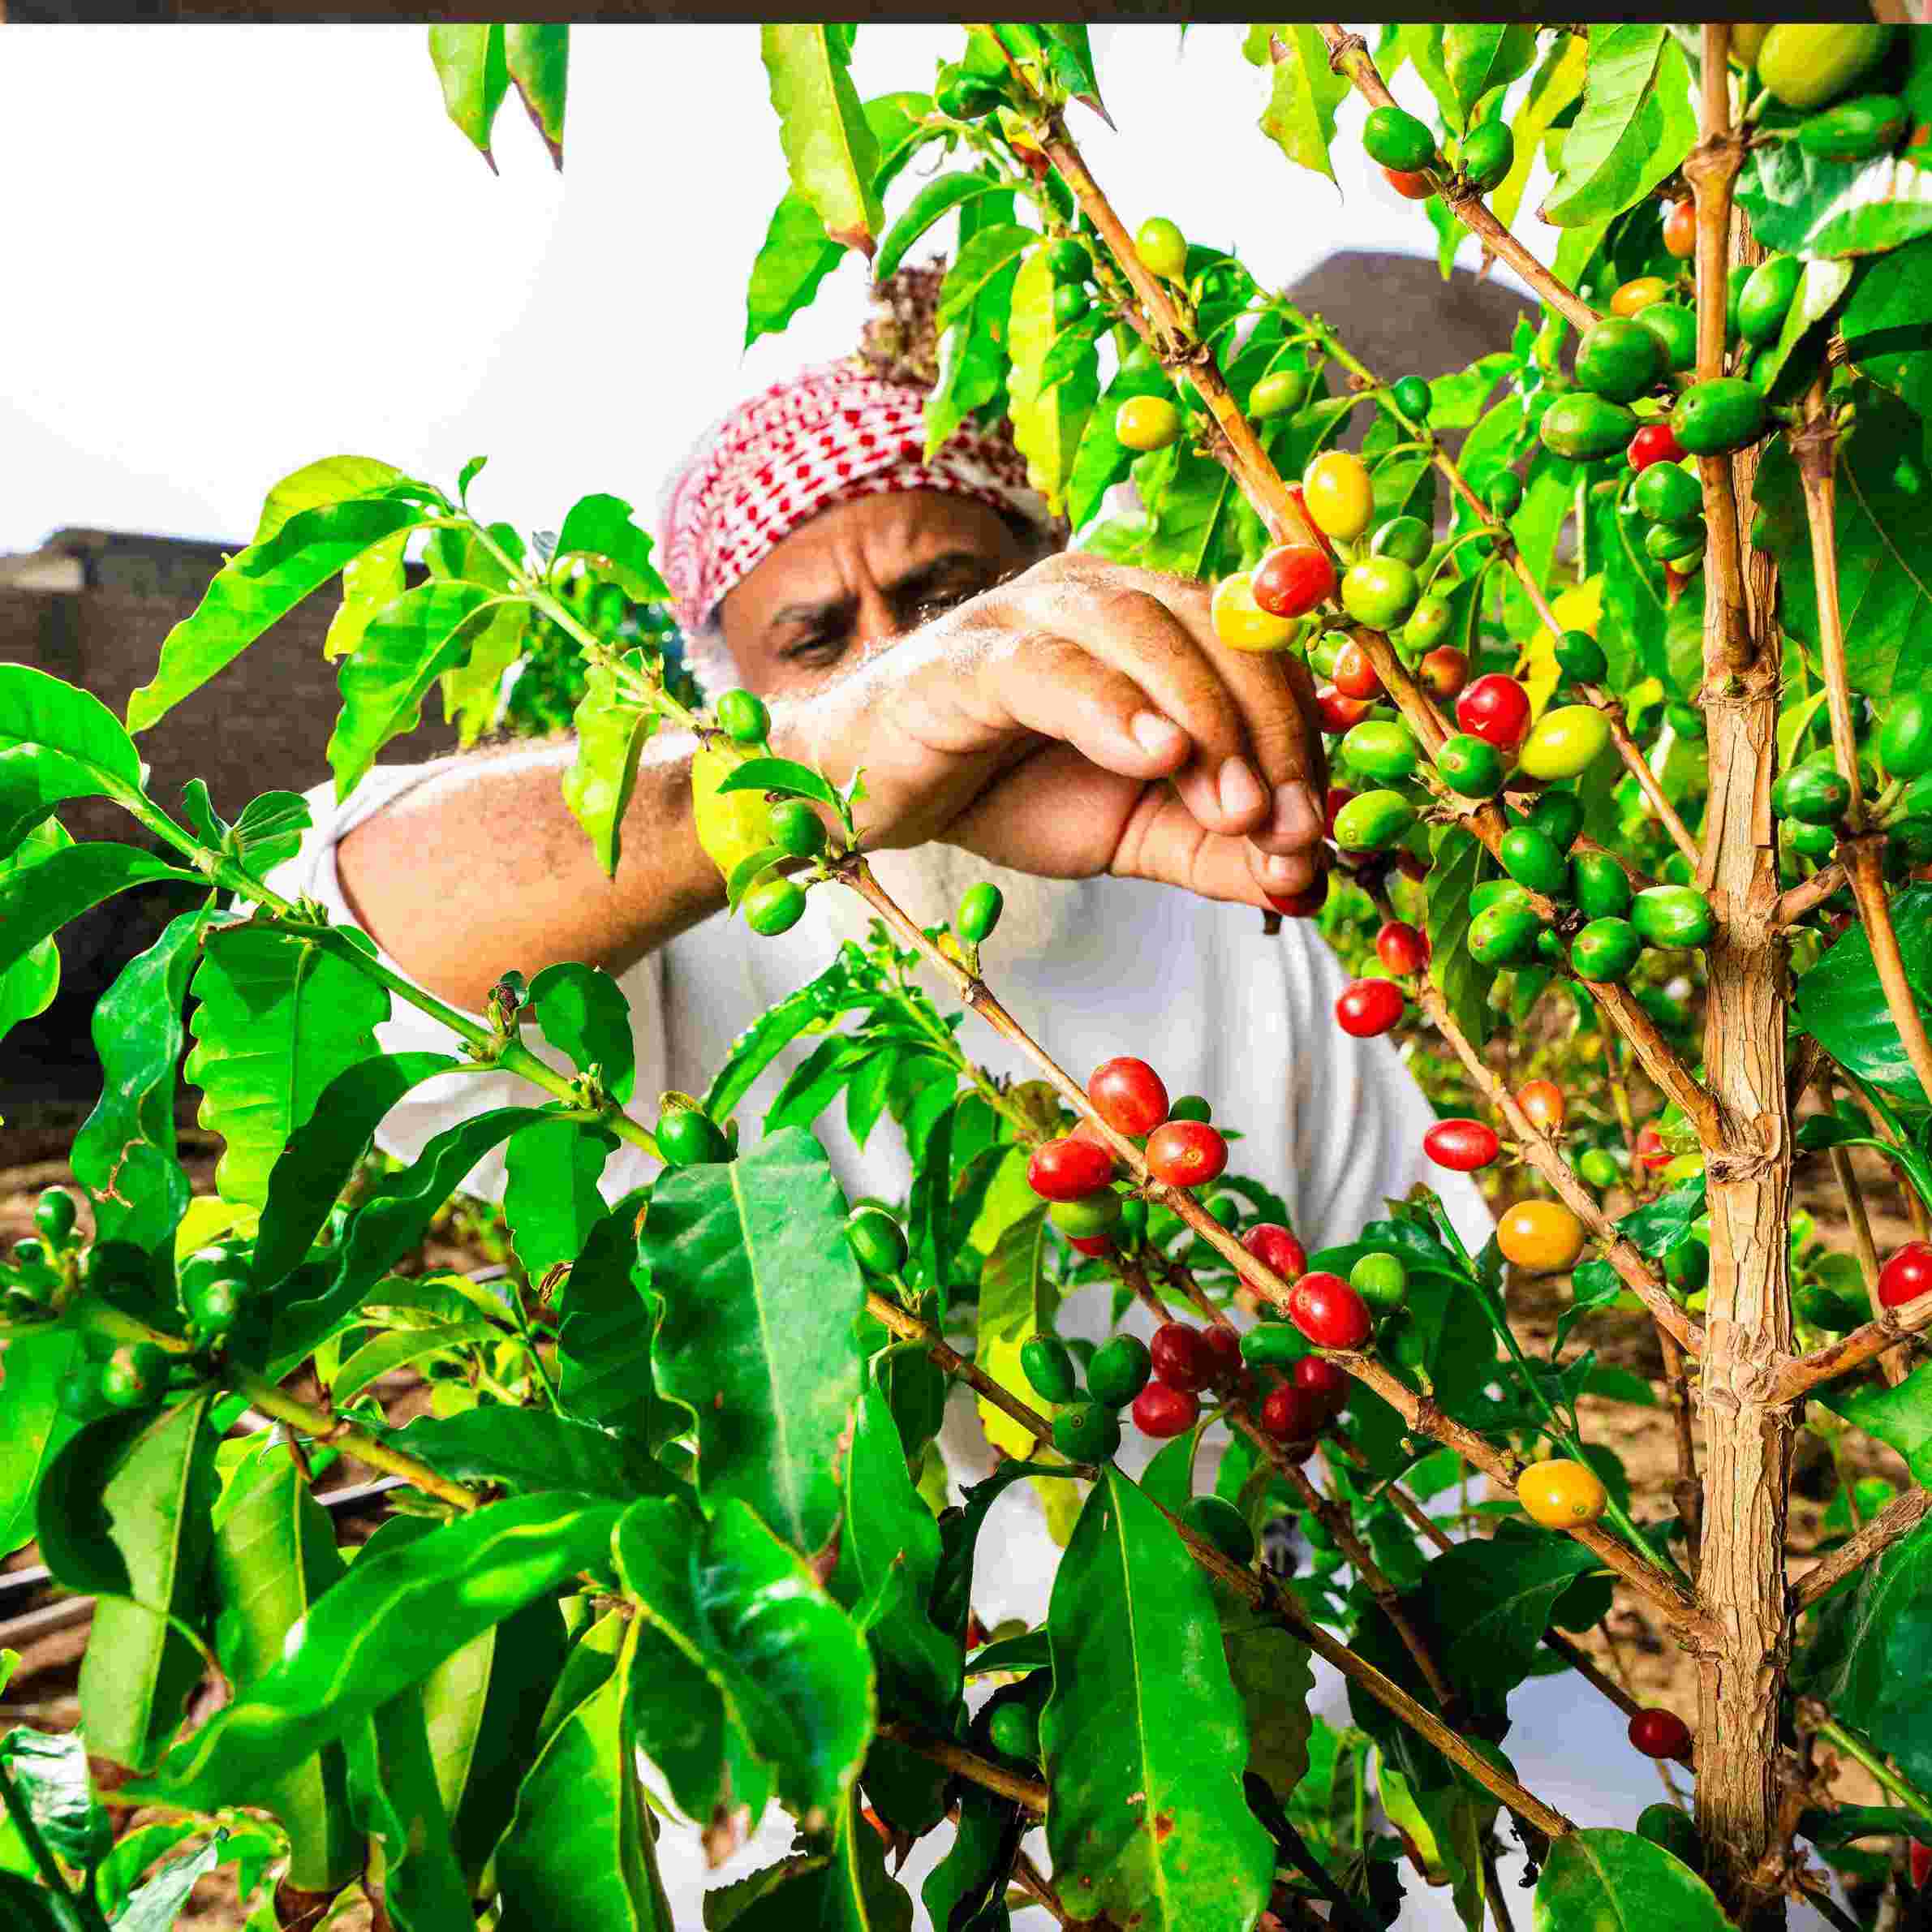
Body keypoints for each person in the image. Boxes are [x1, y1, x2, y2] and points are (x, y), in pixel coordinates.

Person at [263, 346, 1512, 1918]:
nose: (910, 661)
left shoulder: (1225, 894)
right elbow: (336, 938)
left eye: (948, 599)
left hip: (1288, 1678)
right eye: (817, 640)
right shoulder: (672, 919)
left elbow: (1415, 1320)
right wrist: (804, 769)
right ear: (722, 683)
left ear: (1047, 597)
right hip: (852, 1767)